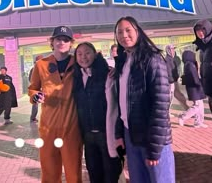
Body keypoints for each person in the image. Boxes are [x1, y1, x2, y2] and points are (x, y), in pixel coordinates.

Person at [112, 16, 175, 183]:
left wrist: (154, 147)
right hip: (132, 135)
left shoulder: (152, 59)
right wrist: (119, 133)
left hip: (153, 138)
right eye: (119, 32)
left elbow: (161, 105)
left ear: (138, 32)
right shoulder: (124, 62)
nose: (124, 35)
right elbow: (122, 102)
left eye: (128, 30)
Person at [28, 25, 83, 183]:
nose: (62, 42)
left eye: (66, 40)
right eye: (58, 39)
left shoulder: (78, 63)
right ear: (52, 42)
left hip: (72, 128)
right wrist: (35, 96)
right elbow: (32, 89)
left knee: (74, 174)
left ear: (71, 43)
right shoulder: (41, 65)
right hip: (48, 128)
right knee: (49, 173)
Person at [73, 42, 122, 183]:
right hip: (88, 136)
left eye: (87, 53)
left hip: (106, 134)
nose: (83, 57)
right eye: (80, 54)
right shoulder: (76, 77)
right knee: (94, 174)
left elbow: (117, 106)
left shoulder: (107, 74)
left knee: (111, 174)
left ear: (95, 54)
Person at [193, 19, 212, 165]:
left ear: (208, 29)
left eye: (202, 30)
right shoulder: (205, 47)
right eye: (197, 32)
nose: (200, 34)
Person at [179, 50, 207, 128]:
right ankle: (183, 116)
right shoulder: (189, 65)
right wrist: (199, 84)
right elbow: (194, 77)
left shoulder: (189, 64)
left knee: (200, 105)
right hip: (194, 88)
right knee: (197, 105)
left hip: (195, 87)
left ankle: (199, 122)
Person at [165, 44, 189, 114]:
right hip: (171, 81)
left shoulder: (172, 59)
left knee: (179, 95)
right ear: (168, 50)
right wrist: (171, 80)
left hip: (174, 80)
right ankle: (167, 112)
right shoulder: (167, 60)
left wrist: (177, 77)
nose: (173, 51)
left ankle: (187, 108)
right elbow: (169, 72)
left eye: (173, 49)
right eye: (171, 49)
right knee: (170, 97)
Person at [28, 54, 44, 123]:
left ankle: (47, 118)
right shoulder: (33, 69)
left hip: (44, 89)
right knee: (35, 103)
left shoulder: (44, 68)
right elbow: (31, 79)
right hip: (37, 90)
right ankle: (33, 118)